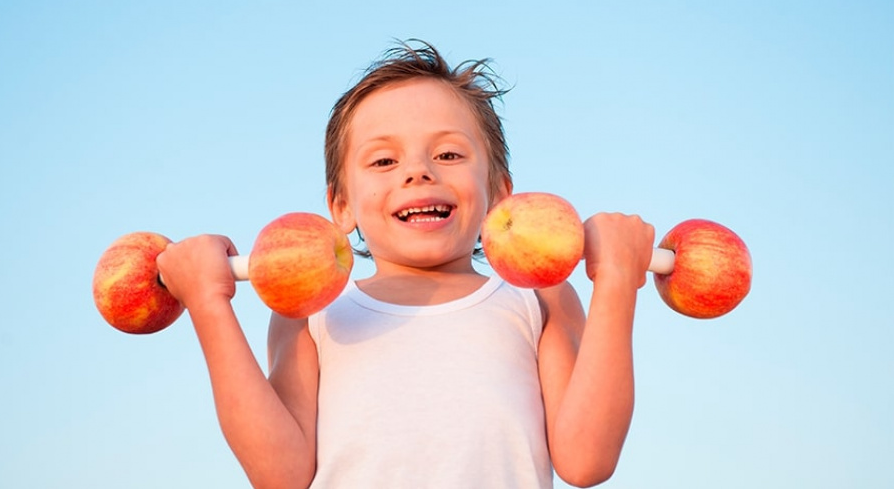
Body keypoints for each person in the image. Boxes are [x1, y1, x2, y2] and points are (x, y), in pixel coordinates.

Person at [156, 40, 654, 489]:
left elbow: (587, 460)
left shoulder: (538, 298)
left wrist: (616, 281)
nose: (418, 171)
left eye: (449, 153)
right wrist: (208, 303)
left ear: (499, 194)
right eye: (383, 161)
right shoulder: (310, 312)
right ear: (342, 206)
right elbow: (279, 474)